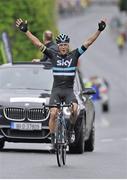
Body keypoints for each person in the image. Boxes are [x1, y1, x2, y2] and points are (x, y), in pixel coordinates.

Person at [16, 18, 106, 146]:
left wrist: (99, 30)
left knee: (75, 109)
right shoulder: (53, 55)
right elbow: (37, 44)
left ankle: (70, 130)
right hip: (57, 90)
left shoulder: (74, 55)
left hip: (69, 91)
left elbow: (88, 42)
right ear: (57, 46)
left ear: (68, 46)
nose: (63, 47)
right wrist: (26, 31)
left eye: (65, 45)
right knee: (53, 113)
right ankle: (53, 138)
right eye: (61, 45)